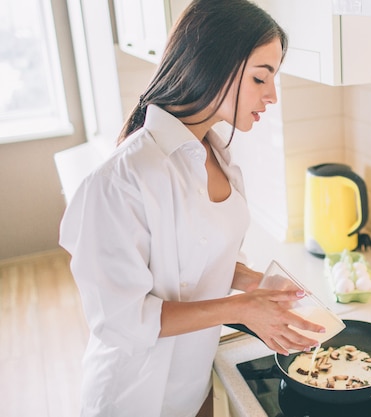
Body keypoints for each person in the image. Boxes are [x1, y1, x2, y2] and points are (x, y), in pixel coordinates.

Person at [58, 1, 325, 416]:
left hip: (194, 381)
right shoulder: (120, 180)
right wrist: (242, 308)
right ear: (212, 63)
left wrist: (254, 283)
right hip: (134, 396)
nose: (272, 96)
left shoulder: (217, 155)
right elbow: (120, 319)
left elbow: (194, 260)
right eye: (260, 78)